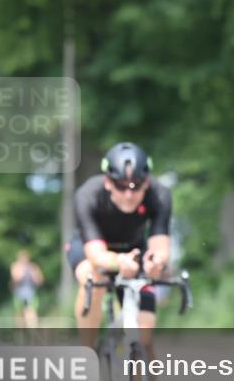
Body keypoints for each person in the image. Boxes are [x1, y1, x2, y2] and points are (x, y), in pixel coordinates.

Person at [68, 142, 172, 356]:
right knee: (92, 276)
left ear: (147, 182)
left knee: (144, 336)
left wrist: (156, 263)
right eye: (121, 185)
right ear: (108, 182)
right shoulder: (88, 194)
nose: (128, 193)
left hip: (135, 250)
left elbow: (160, 245)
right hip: (92, 248)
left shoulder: (159, 194)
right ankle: (87, 351)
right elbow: (96, 255)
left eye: (136, 185)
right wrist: (118, 262)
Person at [10, 249, 44, 328]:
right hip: (19, 292)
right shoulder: (15, 266)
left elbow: (40, 280)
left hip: (31, 292)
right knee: (19, 313)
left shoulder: (33, 267)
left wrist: (35, 276)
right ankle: (21, 330)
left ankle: (33, 329)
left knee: (32, 310)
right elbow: (16, 279)